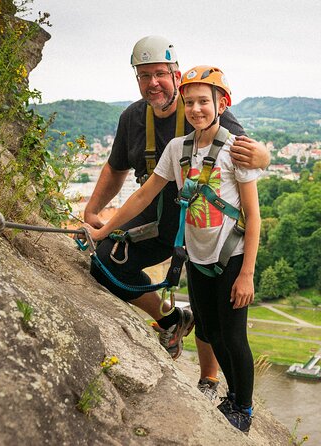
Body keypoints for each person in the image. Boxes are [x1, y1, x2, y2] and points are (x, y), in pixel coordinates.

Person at [83, 36, 269, 402]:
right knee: (103, 264)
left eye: (160, 74)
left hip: (204, 225)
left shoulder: (204, 107)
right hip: (158, 219)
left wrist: (262, 155)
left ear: (175, 75)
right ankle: (170, 319)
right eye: (144, 76)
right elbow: (117, 169)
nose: (153, 83)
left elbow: (247, 153)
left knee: (211, 307)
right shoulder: (133, 118)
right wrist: (94, 215)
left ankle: (209, 379)